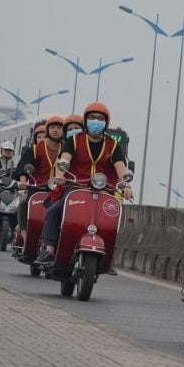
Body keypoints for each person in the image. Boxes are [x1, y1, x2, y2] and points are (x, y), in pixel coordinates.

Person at [35, 102, 133, 264]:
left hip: (103, 191)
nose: (96, 122)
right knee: (53, 210)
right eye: (92, 118)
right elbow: (64, 159)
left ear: (106, 122)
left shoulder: (113, 145)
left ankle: (108, 258)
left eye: (100, 119)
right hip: (75, 188)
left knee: (112, 219)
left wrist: (127, 185)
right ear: (86, 120)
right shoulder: (74, 140)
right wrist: (60, 176)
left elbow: (121, 168)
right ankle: (49, 250)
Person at [12, 115, 65, 248]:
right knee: (23, 204)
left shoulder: (67, 149)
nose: (55, 130)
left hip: (60, 191)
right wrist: (23, 181)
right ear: (47, 130)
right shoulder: (36, 149)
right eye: (52, 127)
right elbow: (24, 166)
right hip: (38, 188)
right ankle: (25, 238)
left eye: (59, 128)